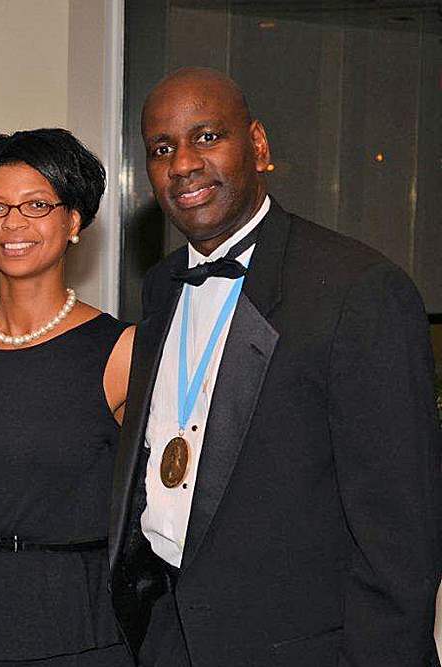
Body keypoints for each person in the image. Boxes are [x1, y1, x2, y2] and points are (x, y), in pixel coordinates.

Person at [108, 67, 441, 666]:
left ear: (258, 146)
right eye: (162, 148)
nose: (183, 164)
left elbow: (401, 538)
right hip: (168, 639)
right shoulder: (160, 286)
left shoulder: (358, 290)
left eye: (207, 137)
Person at [0, 128, 136, 666]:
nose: (14, 223)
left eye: (37, 205)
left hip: (86, 634)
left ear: (73, 222)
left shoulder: (121, 351)